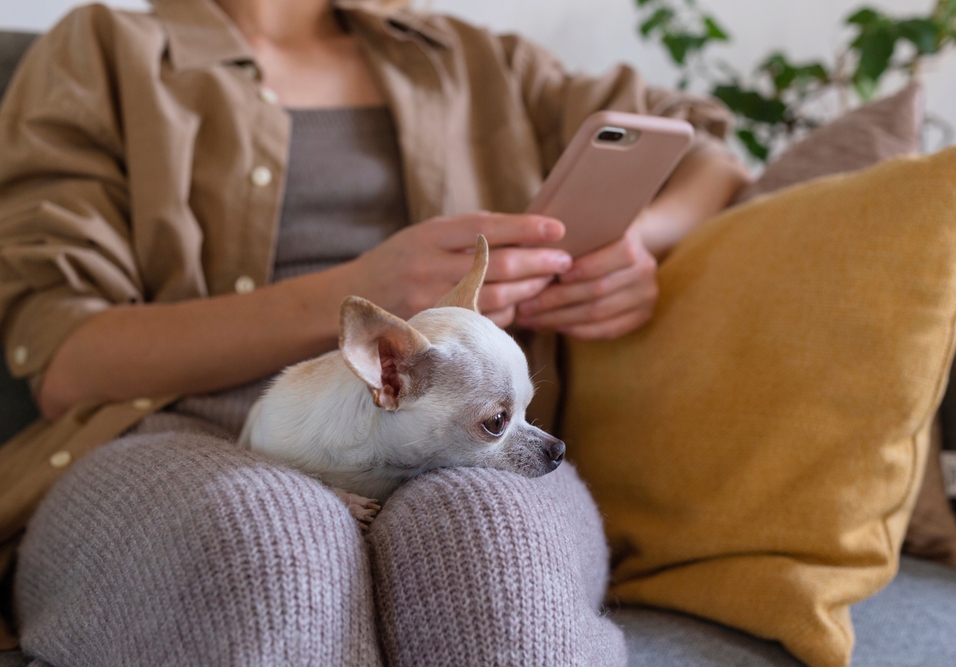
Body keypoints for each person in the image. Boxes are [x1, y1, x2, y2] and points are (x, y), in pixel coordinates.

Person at [0, 0, 751, 663]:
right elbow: (64, 355)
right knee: (271, 544)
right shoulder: (107, 47)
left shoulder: (480, 59)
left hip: (459, 435)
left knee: (495, 547)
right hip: (176, 434)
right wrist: (362, 291)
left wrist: (635, 244)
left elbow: (711, 150)